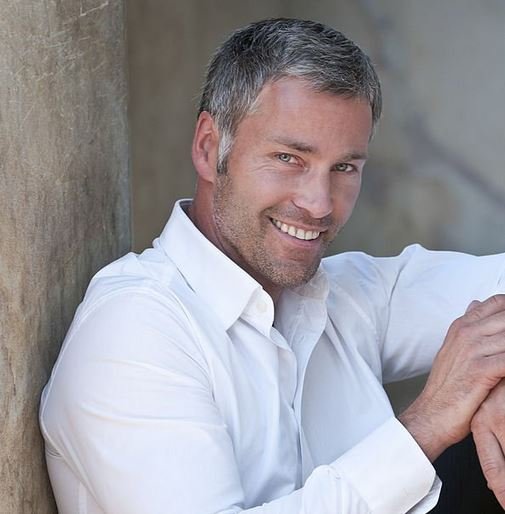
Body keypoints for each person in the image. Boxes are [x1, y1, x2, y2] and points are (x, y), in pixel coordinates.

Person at [40, 18, 505, 514]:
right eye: (288, 158)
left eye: (344, 167)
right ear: (208, 148)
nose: (319, 203)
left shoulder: (349, 297)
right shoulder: (135, 330)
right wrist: (430, 422)